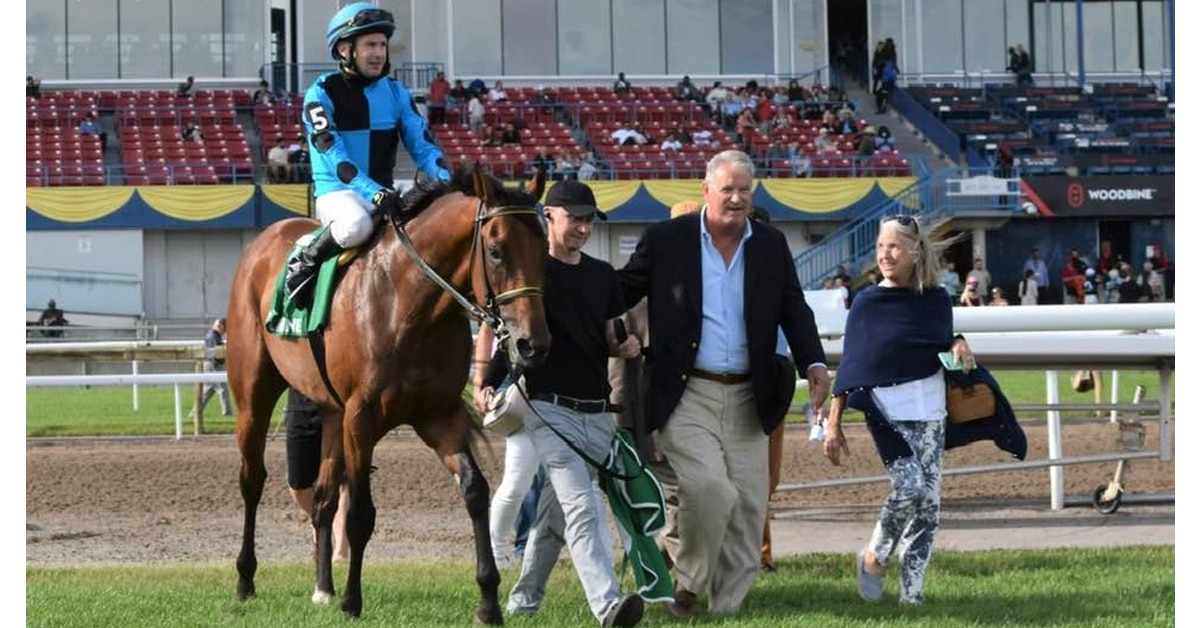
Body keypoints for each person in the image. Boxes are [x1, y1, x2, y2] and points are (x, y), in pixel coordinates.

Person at [619, 150, 830, 617]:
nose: (736, 199)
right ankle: (690, 582)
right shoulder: (667, 239)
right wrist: (566, 277)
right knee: (710, 487)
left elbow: (794, 308)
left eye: (745, 190)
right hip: (685, 391)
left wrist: (813, 361)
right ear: (706, 191)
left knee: (750, 505)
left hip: (749, 396)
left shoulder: (771, 244)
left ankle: (727, 610)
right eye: (727, 189)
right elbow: (622, 290)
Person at [487, 180, 645, 627]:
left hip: (598, 411)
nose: (582, 226)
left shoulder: (602, 276)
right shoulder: (531, 273)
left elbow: (610, 338)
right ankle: (608, 606)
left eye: (588, 219)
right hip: (547, 407)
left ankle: (523, 599)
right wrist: (489, 379)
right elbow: (511, 332)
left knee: (557, 516)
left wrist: (625, 346)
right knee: (582, 506)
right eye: (574, 217)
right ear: (549, 217)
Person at [822, 214, 978, 606]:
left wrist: (959, 340)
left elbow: (937, 341)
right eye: (880, 247)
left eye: (893, 246)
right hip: (887, 413)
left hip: (932, 412)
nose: (885, 255)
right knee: (910, 489)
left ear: (914, 251)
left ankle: (913, 596)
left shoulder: (937, 299)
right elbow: (852, 363)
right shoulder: (867, 301)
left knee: (929, 507)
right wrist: (834, 423)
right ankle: (874, 556)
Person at [284, 3, 451, 308]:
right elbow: (337, 159)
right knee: (356, 226)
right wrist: (374, 194)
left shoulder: (397, 92)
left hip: (383, 190)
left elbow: (423, 146)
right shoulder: (320, 93)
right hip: (339, 193)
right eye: (370, 45)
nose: (379, 53)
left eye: (383, 45)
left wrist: (446, 181)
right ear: (345, 49)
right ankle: (306, 260)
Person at [284, 387, 350, 562]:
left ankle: (341, 552)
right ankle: (321, 527)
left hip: (341, 404)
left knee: (343, 482)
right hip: (301, 404)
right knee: (297, 485)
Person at [193, 318, 232, 417]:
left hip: (209, 365)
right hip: (213, 366)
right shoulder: (214, 336)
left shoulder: (212, 335)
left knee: (208, 391)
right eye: (225, 329)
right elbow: (217, 353)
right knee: (223, 390)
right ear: (221, 326)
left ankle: (195, 412)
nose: (225, 332)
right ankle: (227, 412)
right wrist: (222, 362)